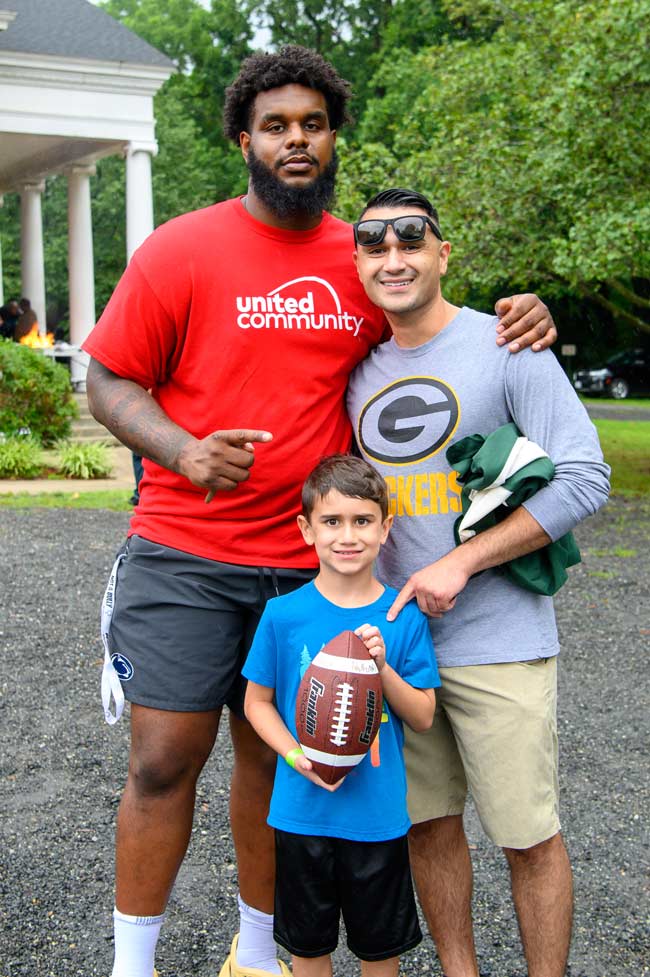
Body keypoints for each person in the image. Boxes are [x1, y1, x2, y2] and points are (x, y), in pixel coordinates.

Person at [82, 46, 558, 977]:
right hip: (186, 546)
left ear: (333, 136)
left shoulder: (358, 259)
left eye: (312, 124)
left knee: (279, 761)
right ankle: (128, 966)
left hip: (314, 564)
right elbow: (108, 376)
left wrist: (526, 314)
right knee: (162, 760)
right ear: (243, 141)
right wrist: (180, 447)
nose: (295, 140)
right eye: (274, 126)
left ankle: (257, 954)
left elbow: (437, 321)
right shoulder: (183, 246)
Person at [346, 188, 611, 977]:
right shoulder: (355, 368)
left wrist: (463, 559)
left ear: (442, 253)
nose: (394, 258)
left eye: (411, 240)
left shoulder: (506, 343)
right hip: (402, 643)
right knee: (427, 825)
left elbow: (586, 474)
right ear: (357, 261)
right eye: (374, 245)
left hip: (502, 636)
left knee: (527, 834)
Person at [243, 455, 439, 977]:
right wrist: (292, 754)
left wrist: (382, 667)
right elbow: (254, 703)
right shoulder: (283, 615)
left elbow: (422, 716)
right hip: (300, 811)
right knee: (308, 948)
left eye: (362, 521)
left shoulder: (401, 616)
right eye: (331, 522)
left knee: (380, 949)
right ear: (307, 530)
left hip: (376, 818)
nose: (347, 536)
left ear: (385, 528)